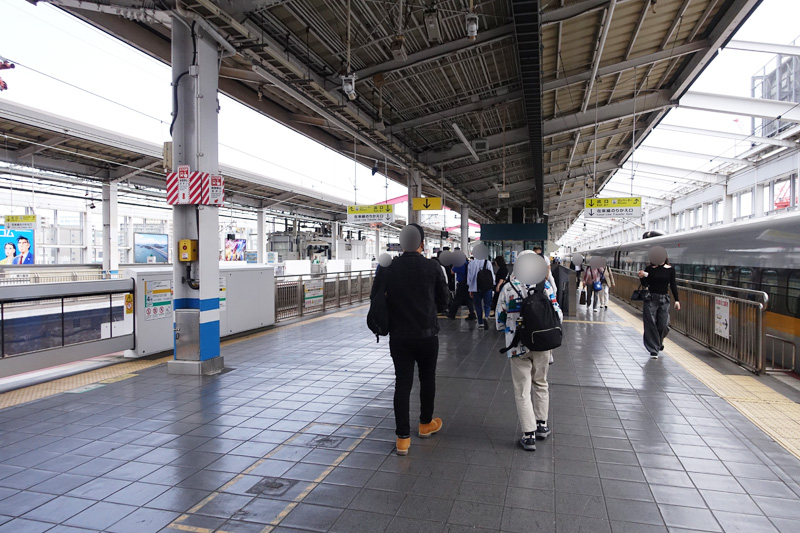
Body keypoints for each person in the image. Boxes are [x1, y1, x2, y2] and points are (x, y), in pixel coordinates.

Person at [374, 223, 449, 455]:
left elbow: (375, 297)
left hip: (399, 336)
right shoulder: (433, 267)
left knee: (402, 384)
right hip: (427, 335)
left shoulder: (388, 268)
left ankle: (403, 439)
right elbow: (444, 302)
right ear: (422, 244)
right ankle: (425, 424)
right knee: (427, 379)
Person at [496, 251, 562, 451]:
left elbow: (499, 320)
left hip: (517, 346)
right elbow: (557, 313)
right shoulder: (545, 286)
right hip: (542, 344)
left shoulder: (509, 288)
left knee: (522, 390)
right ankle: (542, 425)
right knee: (541, 383)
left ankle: (529, 434)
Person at [638, 252, 680, 359]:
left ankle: (658, 341)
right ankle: (653, 349)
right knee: (650, 323)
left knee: (664, 324)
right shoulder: (649, 269)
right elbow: (645, 284)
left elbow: (673, 284)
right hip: (651, 298)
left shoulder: (670, 269)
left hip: (664, 299)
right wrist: (641, 277)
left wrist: (677, 300)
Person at [468, 255, 495, 330]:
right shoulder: (488, 262)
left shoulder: (471, 263)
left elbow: (469, 277)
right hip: (487, 287)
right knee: (487, 304)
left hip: (476, 288)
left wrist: (470, 289)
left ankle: (480, 323)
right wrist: (493, 285)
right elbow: (492, 275)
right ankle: (486, 316)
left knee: (478, 306)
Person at [447, 252, 476, 320]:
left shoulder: (459, 264)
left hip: (462, 284)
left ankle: (452, 314)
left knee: (457, 300)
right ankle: (472, 314)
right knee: (468, 300)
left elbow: (452, 272)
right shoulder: (468, 263)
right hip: (468, 283)